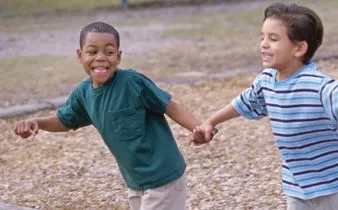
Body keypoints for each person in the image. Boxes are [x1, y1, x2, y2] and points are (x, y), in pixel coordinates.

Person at [190, 3, 338, 210]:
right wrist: (211, 121)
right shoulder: (266, 80)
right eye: (262, 37)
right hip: (297, 185)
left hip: (336, 184)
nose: (264, 44)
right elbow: (243, 102)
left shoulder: (314, 83)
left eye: (273, 39)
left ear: (299, 48)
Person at [13, 21, 210, 210]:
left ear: (118, 56)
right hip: (135, 182)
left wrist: (199, 127)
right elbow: (65, 120)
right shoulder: (83, 94)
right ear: (80, 55)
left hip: (164, 177)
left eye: (108, 52)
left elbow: (170, 106)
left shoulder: (132, 82)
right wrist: (37, 122)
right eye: (92, 52)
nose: (100, 58)